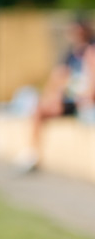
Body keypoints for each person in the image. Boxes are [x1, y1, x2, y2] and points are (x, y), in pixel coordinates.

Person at [19, 14, 95, 171]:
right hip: (72, 99)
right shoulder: (71, 53)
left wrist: (84, 97)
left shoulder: (91, 50)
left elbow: (91, 83)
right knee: (39, 109)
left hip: (86, 101)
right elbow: (58, 76)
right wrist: (52, 95)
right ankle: (32, 154)